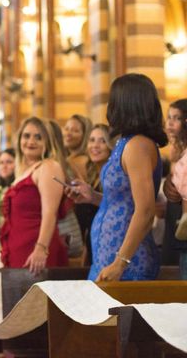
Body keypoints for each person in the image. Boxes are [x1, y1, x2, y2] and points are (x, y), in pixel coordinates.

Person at [71, 74, 165, 281]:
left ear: (125, 104)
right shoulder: (126, 142)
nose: (109, 107)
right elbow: (123, 201)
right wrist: (93, 196)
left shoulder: (138, 145)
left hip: (128, 260)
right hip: (108, 256)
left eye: (113, 100)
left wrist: (120, 262)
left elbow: (146, 210)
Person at [0, 116, 69, 273]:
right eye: (26, 136)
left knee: (37, 297)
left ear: (48, 141)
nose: (31, 141)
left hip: (36, 249)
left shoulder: (49, 166)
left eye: (38, 137)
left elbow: (50, 212)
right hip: (19, 247)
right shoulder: (25, 170)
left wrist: (41, 248)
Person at [71, 124, 112, 265]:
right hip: (92, 246)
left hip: (109, 245)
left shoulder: (113, 177)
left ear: (110, 145)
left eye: (102, 141)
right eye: (92, 140)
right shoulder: (90, 176)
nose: (95, 145)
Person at [163, 99, 187, 278]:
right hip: (174, 219)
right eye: (169, 117)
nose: (170, 123)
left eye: (177, 118)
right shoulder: (175, 153)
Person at [63, 114, 92, 181]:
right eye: (66, 129)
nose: (68, 133)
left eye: (75, 131)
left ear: (85, 136)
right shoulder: (69, 158)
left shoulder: (82, 161)